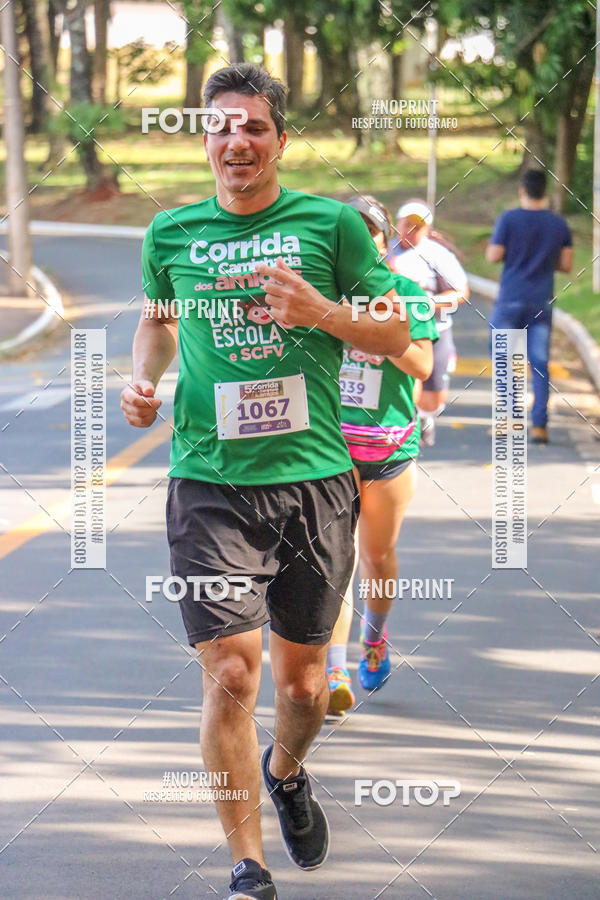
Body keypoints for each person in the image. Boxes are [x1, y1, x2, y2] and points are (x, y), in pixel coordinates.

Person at [120, 64, 411, 900]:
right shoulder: (171, 234)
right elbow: (156, 324)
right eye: (221, 127)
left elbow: (396, 333)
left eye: (253, 126)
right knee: (233, 675)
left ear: (280, 139)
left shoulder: (330, 226)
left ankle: (287, 771)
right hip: (208, 482)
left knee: (303, 684)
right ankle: (247, 869)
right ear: (204, 140)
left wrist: (322, 312)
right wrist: (145, 383)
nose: (236, 140)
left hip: (316, 482)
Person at [326, 196, 438, 711]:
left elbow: (420, 366)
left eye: (368, 233)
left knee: (376, 556)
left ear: (382, 239)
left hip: (389, 449)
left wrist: (376, 325)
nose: (359, 242)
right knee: (333, 564)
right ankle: (333, 671)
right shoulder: (322, 293)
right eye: (349, 233)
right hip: (328, 449)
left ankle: (375, 636)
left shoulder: (409, 294)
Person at [486, 168, 573, 443]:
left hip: (510, 299)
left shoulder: (508, 219)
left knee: (503, 359)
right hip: (541, 301)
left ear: (522, 191)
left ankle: (511, 420)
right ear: (545, 192)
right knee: (539, 363)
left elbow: (493, 255)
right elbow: (567, 264)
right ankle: (539, 426)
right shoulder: (559, 225)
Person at [389, 200, 469, 447]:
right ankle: (405, 425)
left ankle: (425, 416)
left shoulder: (438, 255)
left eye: (418, 227)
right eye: (407, 225)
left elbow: (461, 292)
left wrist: (427, 303)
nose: (411, 231)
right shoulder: (386, 252)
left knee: (433, 399)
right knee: (400, 385)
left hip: (434, 331)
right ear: (397, 225)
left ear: (427, 229)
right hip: (396, 331)